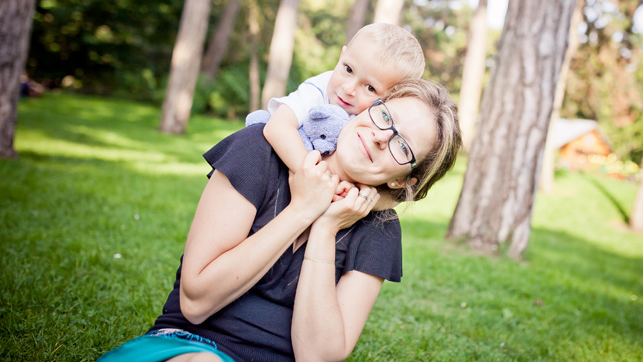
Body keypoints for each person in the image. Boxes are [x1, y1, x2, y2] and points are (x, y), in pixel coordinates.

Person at [98, 78, 462, 362]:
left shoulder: (379, 229)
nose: (382, 137)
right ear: (367, 109)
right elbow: (196, 302)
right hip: (189, 346)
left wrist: (325, 227)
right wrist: (302, 209)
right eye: (385, 116)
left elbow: (317, 356)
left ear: (403, 180)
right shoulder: (257, 151)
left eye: (403, 145)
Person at [247, 23, 425, 175]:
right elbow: (277, 127)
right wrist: (315, 178)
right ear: (342, 56)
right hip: (270, 164)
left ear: (388, 100)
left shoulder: (375, 127)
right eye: (348, 69)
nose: (348, 89)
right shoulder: (319, 89)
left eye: (370, 88)